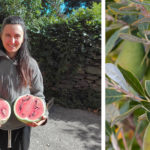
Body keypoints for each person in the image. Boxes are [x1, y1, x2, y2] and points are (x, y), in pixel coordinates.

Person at [0, 16, 48, 150]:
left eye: (17, 36)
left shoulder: (31, 65)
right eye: (8, 35)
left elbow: (39, 95)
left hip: (22, 128)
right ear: (1, 35)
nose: (12, 40)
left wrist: (43, 116)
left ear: (23, 38)